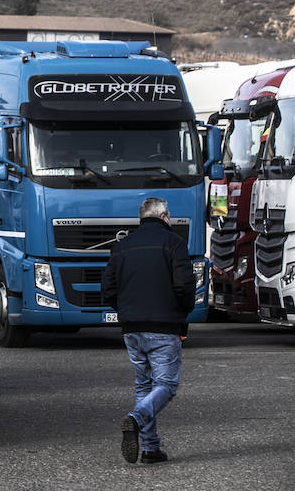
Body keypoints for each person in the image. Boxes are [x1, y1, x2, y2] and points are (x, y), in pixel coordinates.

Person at [101, 197, 196, 465]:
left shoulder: (122, 247)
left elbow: (107, 289)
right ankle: (136, 418)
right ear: (165, 216)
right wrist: (182, 312)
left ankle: (151, 449)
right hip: (164, 327)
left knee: (144, 385)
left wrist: (125, 310)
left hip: (131, 328)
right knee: (166, 385)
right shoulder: (174, 243)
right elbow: (185, 286)